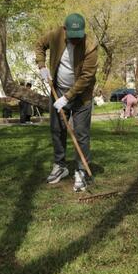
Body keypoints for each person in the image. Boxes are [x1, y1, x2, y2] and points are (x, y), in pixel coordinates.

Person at [35, 13, 98, 192]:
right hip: (58, 90)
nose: (76, 40)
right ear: (65, 30)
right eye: (72, 36)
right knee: (57, 130)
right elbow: (39, 45)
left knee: (81, 133)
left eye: (79, 37)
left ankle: (81, 170)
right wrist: (42, 65)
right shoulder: (56, 35)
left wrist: (67, 98)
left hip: (82, 96)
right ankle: (60, 165)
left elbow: (86, 77)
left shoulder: (90, 46)